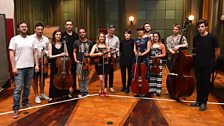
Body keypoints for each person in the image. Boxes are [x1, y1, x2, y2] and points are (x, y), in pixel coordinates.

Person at [9, 21, 39, 118]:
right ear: (18, 28)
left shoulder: (31, 39)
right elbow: (11, 54)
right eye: (22, 27)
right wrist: (13, 67)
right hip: (19, 68)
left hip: (30, 67)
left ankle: (25, 102)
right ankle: (16, 108)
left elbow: (35, 52)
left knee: (27, 87)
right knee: (17, 89)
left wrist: (37, 64)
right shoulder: (14, 39)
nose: (24, 28)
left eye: (26, 26)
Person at [190, 19, 220, 111]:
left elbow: (217, 50)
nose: (200, 28)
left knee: (205, 83)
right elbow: (196, 50)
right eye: (198, 27)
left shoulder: (212, 37)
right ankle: (198, 100)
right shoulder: (196, 38)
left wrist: (213, 61)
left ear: (206, 27)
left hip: (208, 64)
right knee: (198, 83)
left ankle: (204, 102)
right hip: (198, 64)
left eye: (202, 26)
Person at [48, 30, 71, 101]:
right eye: (57, 34)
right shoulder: (51, 44)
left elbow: (67, 54)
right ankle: (52, 96)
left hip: (63, 65)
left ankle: (66, 93)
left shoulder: (64, 44)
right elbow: (50, 56)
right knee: (53, 79)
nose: (58, 36)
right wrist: (60, 55)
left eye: (59, 34)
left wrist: (65, 55)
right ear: (54, 35)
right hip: (55, 65)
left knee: (64, 78)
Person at [30, 23, 50, 104]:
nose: (40, 31)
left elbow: (48, 49)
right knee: (35, 79)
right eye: (38, 29)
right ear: (35, 29)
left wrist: (46, 52)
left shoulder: (46, 39)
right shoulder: (30, 38)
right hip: (33, 61)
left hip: (43, 61)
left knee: (42, 79)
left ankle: (42, 93)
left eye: (41, 29)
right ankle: (36, 95)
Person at [73, 28, 93, 98]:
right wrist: (75, 60)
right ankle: (81, 91)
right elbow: (74, 52)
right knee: (80, 77)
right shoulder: (76, 42)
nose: (82, 34)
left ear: (86, 33)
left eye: (83, 32)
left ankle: (86, 90)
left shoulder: (90, 42)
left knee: (86, 77)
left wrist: (89, 55)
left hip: (87, 63)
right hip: (79, 62)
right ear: (79, 33)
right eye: (80, 32)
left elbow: (92, 52)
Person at [90, 32, 110, 96]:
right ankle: (104, 91)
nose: (102, 38)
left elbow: (109, 55)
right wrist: (97, 54)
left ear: (104, 38)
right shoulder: (95, 46)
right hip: (98, 64)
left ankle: (100, 90)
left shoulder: (106, 46)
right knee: (101, 79)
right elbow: (90, 54)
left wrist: (108, 55)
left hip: (105, 64)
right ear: (98, 38)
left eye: (103, 37)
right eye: (100, 37)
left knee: (103, 79)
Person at [62, 20, 79, 95]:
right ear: (65, 26)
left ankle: (74, 88)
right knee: (65, 74)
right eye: (67, 25)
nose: (69, 26)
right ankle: (66, 90)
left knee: (73, 73)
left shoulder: (76, 35)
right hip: (65, 58)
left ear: (72, 26)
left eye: (70, 25)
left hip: (74, 58)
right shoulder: (62, 35)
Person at [133, 26, 151, 96]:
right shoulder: (136, 39)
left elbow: (148, 49)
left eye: (141, 30)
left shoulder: (148, 39)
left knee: (144, 74)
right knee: (137, 74)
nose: (139, 32)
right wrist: (136, 53)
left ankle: (144, 90)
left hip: (145, 58)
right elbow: (134, 49)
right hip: (137, 58)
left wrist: (142, 54)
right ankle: (137, 90)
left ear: (144, 31)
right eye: (138, 30)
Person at [149, 32, 166, 96]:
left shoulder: (161, 45)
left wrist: (158, 56)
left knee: (158, 76)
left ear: (159, 37)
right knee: (152, 76)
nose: (155, 38)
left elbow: (164, 54)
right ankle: (152, 90)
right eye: (154, 36)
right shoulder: (151, 44)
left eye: (157, 36)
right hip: (152, 61)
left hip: (159, 62)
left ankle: (157, 91)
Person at [105, 24, 119, 93]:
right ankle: (104, 87)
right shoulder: (104, 37)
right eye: (111, 30)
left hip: (113, 57)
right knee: (105, 72)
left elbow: (118, 48)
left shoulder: (116, 38)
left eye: (113, 30)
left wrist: (114, 51)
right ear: (108, 30)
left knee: (111, 72)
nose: (112, 32)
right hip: (106, 57)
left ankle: (111, 86)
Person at [119, 29, 134, 93]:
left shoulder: (133, 41)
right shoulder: (122, 42)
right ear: (124, 34)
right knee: (123, 74)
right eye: (125, 33)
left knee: (130, 75)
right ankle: (124, 86)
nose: (127, 34)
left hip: (130, 60)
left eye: (128, 33)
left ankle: (128, 87)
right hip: (123, 60)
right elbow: (121, 50)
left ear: (130, 34)